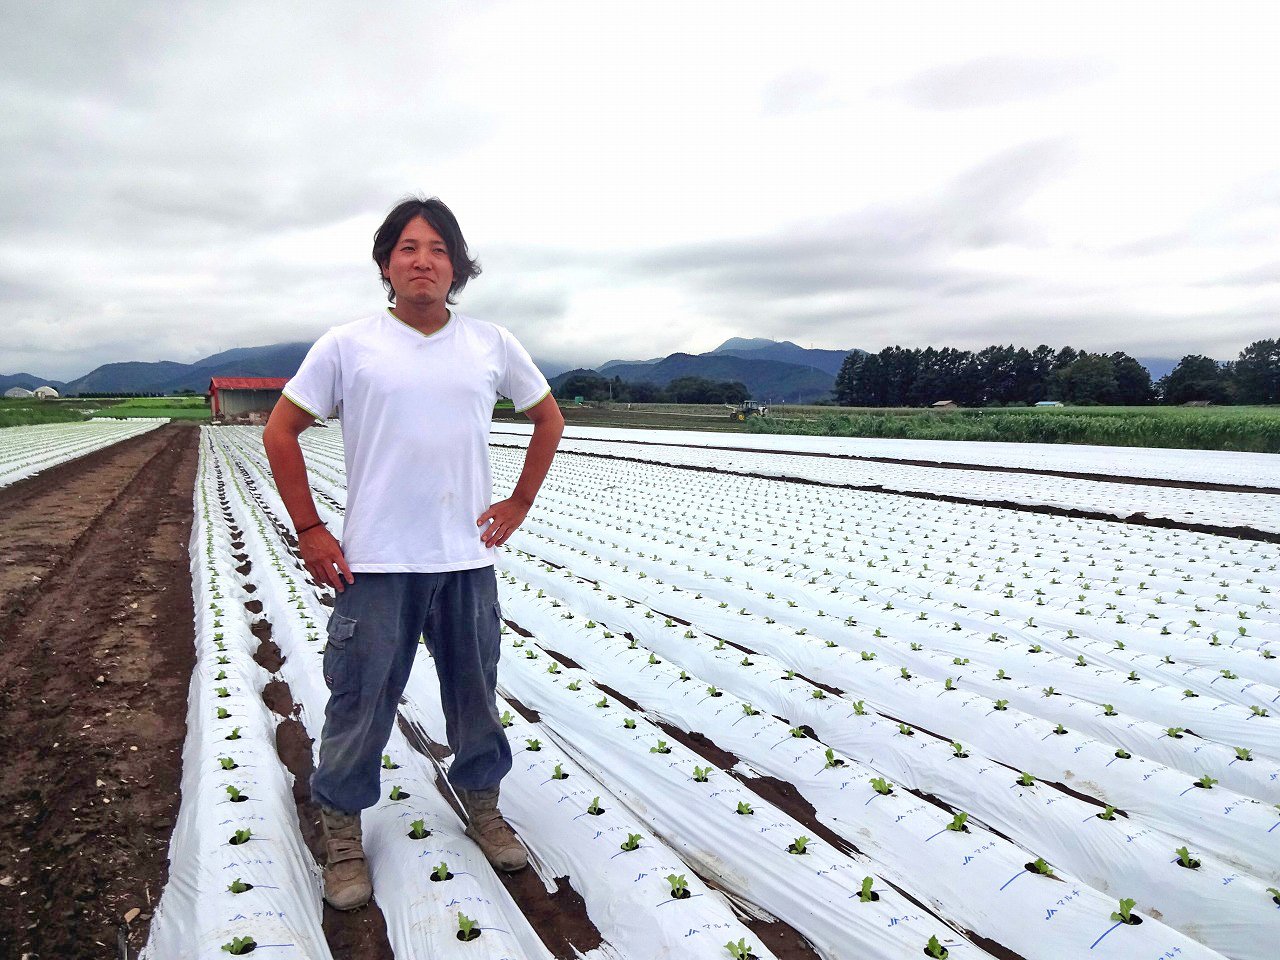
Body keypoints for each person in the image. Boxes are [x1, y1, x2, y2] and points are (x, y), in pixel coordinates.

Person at [263, 196, 564, 911]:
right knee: (360, 701)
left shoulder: (490, 344)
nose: (422, 259)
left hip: (465, 562)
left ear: (457, 266)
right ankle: (340, 830)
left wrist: (518, 502)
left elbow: (548, 418)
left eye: (437, 248)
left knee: (474, 697)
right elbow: (280, 432)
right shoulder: (348, 345)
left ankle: (482, 803)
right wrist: (311, 529)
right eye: (407, 248)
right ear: (385, 265)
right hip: (377, 563)